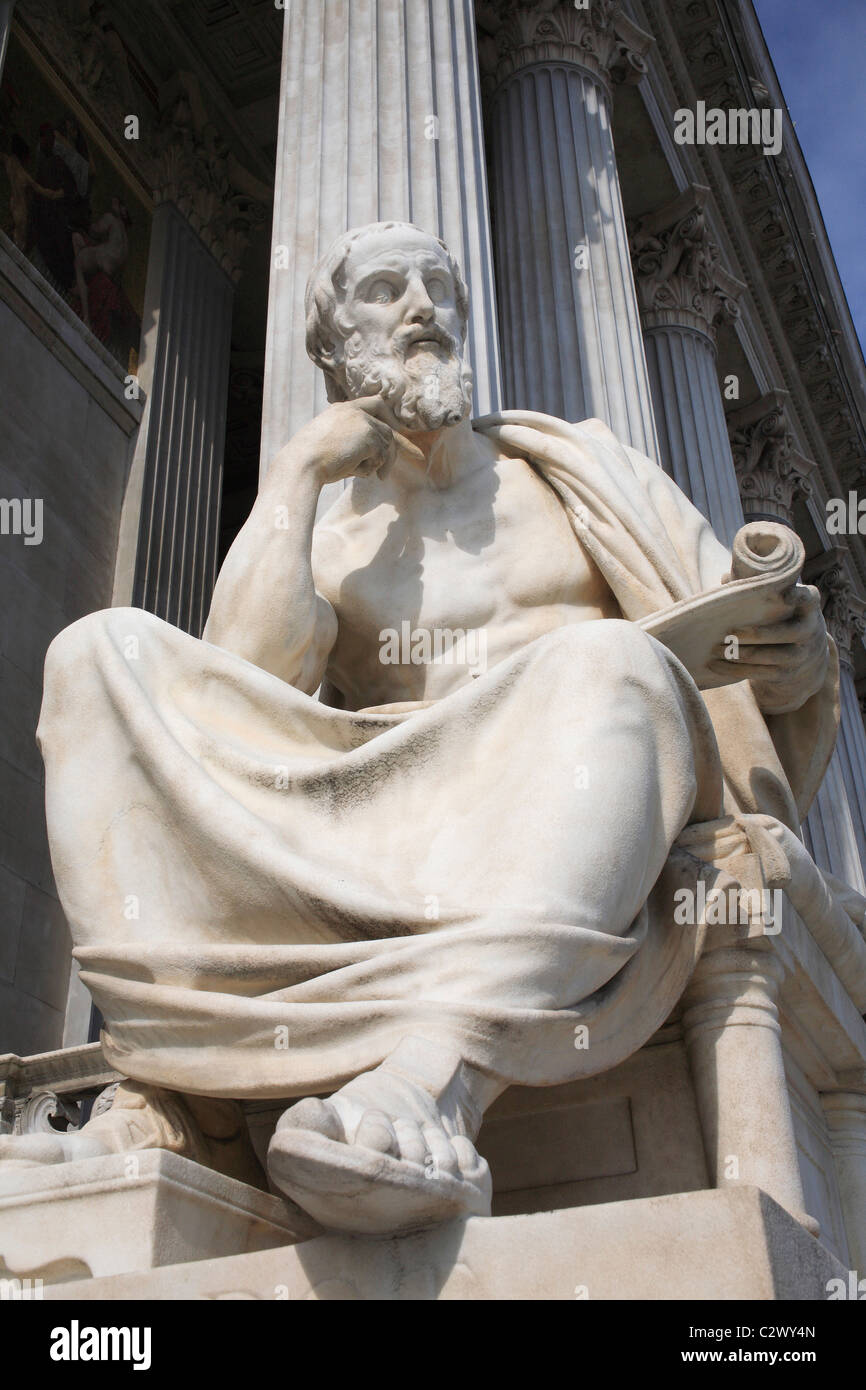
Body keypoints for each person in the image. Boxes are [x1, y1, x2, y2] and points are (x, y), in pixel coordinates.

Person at [0, 222, 836, 1234]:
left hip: (566, 804)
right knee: (96, 651)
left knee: (608, 658)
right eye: (387, 289)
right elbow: (235, 695)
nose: (421, 308)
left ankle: (434, 1077)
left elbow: (736, 643)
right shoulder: (332, 533)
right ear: (332, 347)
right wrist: (299, 472)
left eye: (438, 286)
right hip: (385, 810)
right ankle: (175, 1098)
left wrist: (790, 659)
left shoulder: (576, 474)